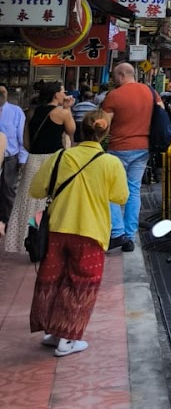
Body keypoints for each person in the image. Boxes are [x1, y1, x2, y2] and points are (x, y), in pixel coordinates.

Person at [28, 109, 128, 357]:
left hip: (58, 229)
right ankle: (68, 339)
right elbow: (120, 196)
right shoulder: (110, 162)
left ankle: (51, 332)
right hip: (90, 232)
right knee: (81, 284)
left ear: (80, 130)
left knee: (53, 280)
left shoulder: (60, 157)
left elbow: (36, 190)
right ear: (103, 134)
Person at [6, 82, 76, 257]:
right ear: (56, 95)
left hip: (33, 160)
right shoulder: (63, 113)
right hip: (53, 160)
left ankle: (29, 238)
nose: (65, 94)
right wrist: (68, 109)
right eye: (62, 91)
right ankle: (50, 240)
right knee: (54, 201)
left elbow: (27, 143)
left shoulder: (31, 112)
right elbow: (72, 131)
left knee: (29, 201)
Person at [102, 62, 163, 253]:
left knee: (111, 191)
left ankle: (117, 232)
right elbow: (161, 112)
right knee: (133, 190)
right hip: (143, 147)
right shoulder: (151, 93)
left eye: (113, 75)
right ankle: (129, 237)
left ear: (121, 75)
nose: (112, 79)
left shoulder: (114, 96)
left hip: (119, 148)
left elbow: (103, 125)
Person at [0, 85, 28, 238]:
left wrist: (22, 160)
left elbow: (22, 137)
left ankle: (9, 222)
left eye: (3, 92)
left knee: (8, 191)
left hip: (10, 158)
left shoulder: (15, 111)